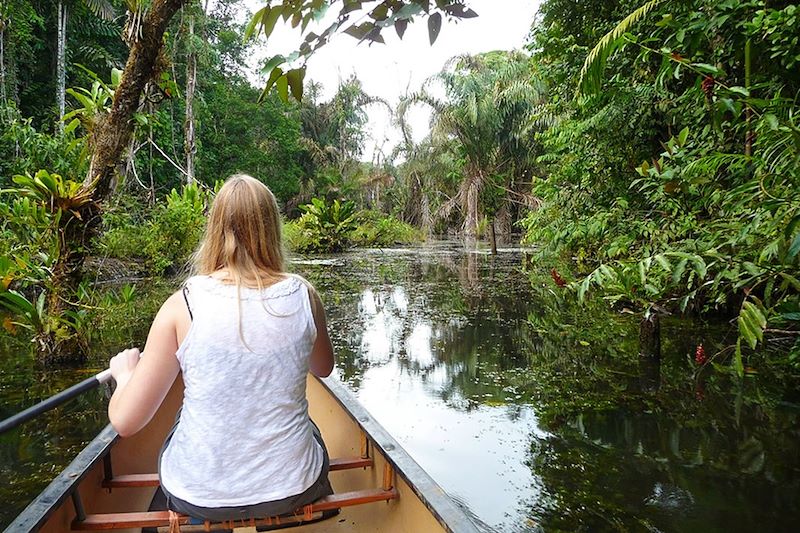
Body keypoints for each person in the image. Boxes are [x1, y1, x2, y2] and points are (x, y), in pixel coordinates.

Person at [107, 174, 335, 523]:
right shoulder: (305, 295)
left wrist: (125, 376)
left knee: (178, 425)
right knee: (313, 428)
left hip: (198, 495)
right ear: (272, 230)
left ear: (214, 230)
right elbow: (323, 368)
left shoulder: (181, 304)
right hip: (294, 486)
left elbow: (125, 422)